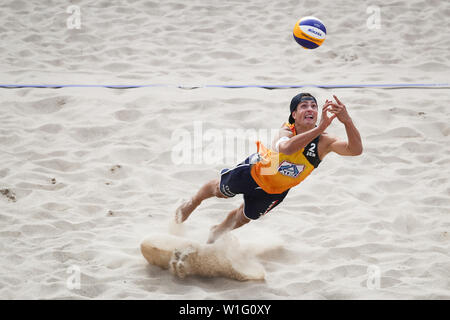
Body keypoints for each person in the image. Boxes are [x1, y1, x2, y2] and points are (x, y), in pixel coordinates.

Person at [175, 93, 363, 244]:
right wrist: (320, 127)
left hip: (275, 191)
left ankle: (215, 234)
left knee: (245, 216)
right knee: (219, 191)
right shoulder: (287, 130)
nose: (310, 109)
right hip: (254, 172)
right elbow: (287, 148)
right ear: (294, 115)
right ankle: (193, 202)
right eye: (304, 106)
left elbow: (355, 150)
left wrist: (347, 121)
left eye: (314, 106)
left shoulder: (325, 141)